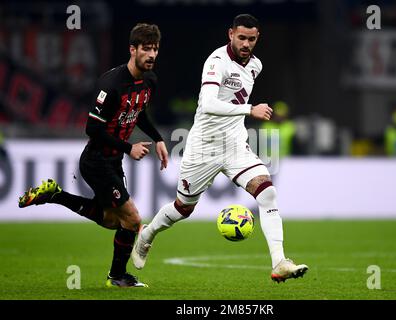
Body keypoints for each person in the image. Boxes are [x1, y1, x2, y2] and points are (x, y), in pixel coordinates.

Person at [132, 14, 308, 283]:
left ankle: (280, 262)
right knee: (182, 208)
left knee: (267, 192)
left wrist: (243, 114)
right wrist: (250, 109)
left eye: (251, 39)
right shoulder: (216, 62)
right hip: (203, 147)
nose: (246, 44)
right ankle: (147, 235)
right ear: (230, 34)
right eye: (241, 38)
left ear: (257, 38)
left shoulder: (255, 65)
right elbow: (210, 104)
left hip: (235, 145)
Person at [18, 23, 169, 288]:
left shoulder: (150, 80)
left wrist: (157, 138)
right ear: (132, 49)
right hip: (96, 160)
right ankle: (118, 277)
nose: (152, 55)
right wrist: (129, 147)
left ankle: (56, 195)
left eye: (155, 49)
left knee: (113, 220)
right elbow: (93, 129)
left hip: (113, 160)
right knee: (133, 220)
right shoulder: (110, 84)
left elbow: (139, 112)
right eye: (146, 49)